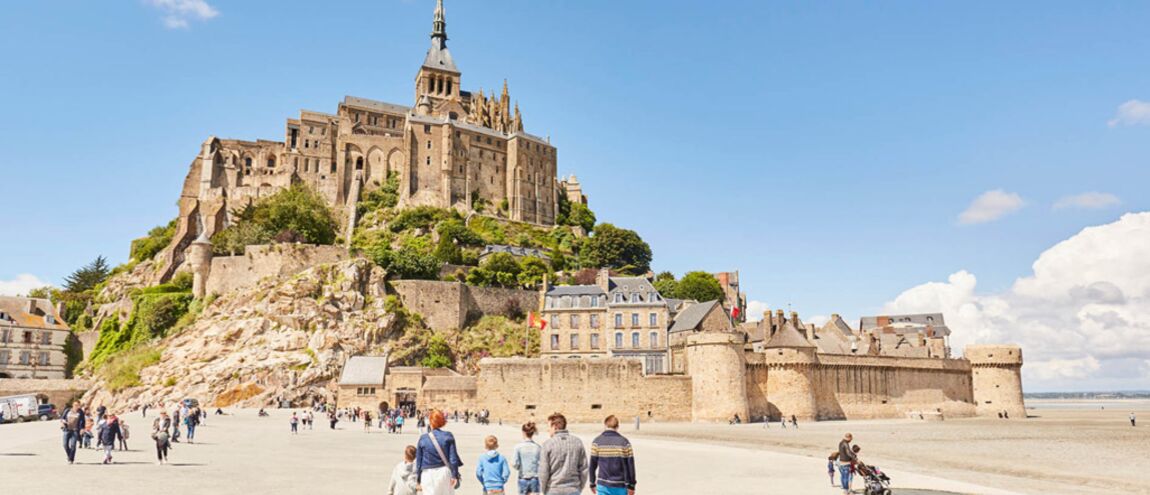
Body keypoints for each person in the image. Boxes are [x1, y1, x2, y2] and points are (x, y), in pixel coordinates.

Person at [416, 410, 463, 495]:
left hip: (427, 474)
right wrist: (454, 475)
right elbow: (453, 459)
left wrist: (418, 479)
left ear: (430, 421)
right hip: (444, 473)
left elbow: (419, 461)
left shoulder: (423, 438)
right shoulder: (448, 436)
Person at [539, 413, 587, 495]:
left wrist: (543, 490)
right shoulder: (578, 442)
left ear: (555, 427)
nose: (548, 430)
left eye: (549, 427)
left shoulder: (547, 445)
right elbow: (584, 469)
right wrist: (579, 488)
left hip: (553, 489)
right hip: (573, 489)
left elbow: (543, 471)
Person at [589, 415, 636, 495]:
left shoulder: (597, 442)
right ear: (617, 427)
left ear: (605, 425)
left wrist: (592, 482)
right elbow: (630, 466)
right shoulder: (625, 442)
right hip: (621, 486)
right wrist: (632, 486)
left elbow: (592, 466)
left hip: (603, 485)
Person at [514, 422, 542, 495]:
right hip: (535, 478)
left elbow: (515, 463)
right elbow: (541, 463)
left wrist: (519, 467)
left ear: (523, 432)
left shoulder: (518, 447)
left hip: (523, 477)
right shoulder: (538, 447)